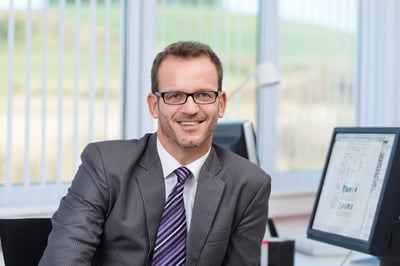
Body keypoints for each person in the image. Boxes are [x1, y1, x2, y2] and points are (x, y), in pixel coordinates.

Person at [39, 41, 271, 265]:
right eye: (174, 96)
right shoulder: (105, 164)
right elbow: (64, 258)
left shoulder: (249, 184)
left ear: (220, 104)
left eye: (203, 95)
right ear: (154, 105)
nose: (191, 109)